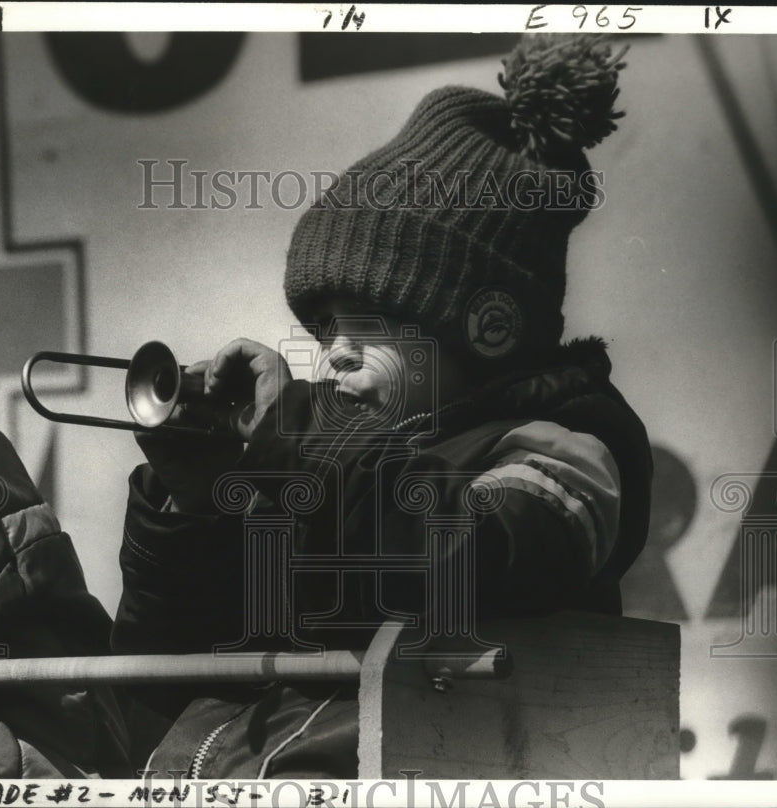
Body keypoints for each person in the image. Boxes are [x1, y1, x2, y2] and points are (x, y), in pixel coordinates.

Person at [111, 32, 653, 779]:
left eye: (365, 321)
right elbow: (166, 664)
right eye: (324, 328)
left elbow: (443, 567)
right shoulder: (335, 463)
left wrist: (299, 435)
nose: (333, 352)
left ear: (487, 328)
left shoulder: (560, 456)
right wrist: (196, 503)